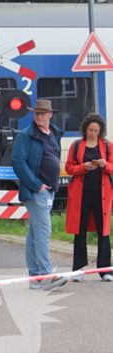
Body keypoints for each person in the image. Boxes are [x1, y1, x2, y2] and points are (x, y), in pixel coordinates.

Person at [11, 99, 67, 291]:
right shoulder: (26, 136)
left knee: (34, 234)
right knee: (43, 232)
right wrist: (36, 185)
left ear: (51, 114)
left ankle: (35, 277)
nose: (39, 116)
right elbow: (18, 162)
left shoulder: (55, 134)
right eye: (36, 113)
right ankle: (47, 274)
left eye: (43, 113)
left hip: (49, 190)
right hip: (36, 191)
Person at [64, 113, 113, 282]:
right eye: (90, 130)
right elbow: (69, 168)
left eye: (96, 130)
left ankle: (105, 270)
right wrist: (83, 167)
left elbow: (112, 168)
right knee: (80, 230)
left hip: (102, 195)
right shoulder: (76, 146)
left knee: (104, 231)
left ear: (101, 131)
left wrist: (104, 165)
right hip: (81, 193)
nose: (93, 133)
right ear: (85, 130)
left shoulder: (107, 146)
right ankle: (78, 269)